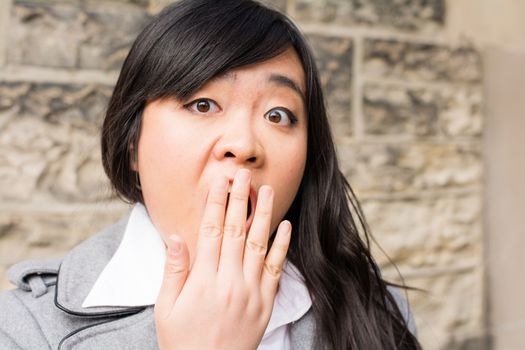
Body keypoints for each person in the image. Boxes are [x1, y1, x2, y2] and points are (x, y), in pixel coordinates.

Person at [0, 0, 421, 349]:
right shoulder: (23, 330)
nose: (244, 144)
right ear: (132, 145)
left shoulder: (375, 310)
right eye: (202, 104)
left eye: (278, 114)